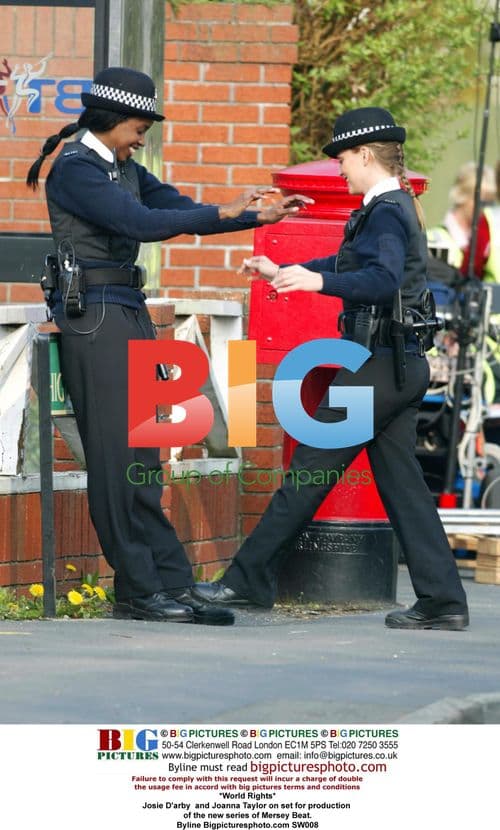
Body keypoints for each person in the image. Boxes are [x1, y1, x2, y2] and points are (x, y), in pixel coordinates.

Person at [26, 66, 310, 626]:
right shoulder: (76, 170)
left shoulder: (124, 168)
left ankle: (172, 581)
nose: (142, 138)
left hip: (127, 311)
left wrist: (256, 214)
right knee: (116, 460)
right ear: (113, 119)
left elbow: (177, 207)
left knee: (144, 460)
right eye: (139, 127)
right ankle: (137, 590)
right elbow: (140, 222)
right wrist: (226, 209)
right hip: (95, 319)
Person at [193, 106, 470, 631]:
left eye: (343, 157)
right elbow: (349, 264)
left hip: (377, 367)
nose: (340, 168)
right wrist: (283, 269)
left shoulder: (386, 210)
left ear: (364, 154)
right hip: (398, 364)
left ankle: (247, 580)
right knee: (404, 489)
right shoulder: (392, 205)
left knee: (307, 471)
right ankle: (443, 601)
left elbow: (383, 280)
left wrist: (315, 284)